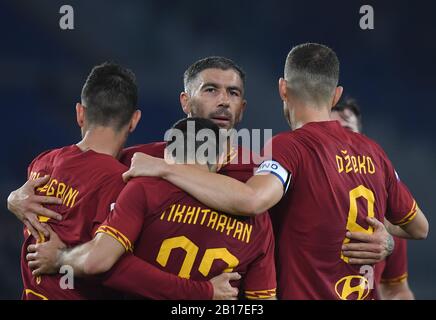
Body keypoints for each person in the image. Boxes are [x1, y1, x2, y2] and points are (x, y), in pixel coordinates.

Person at [123, 43, 429, 300]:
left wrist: (387, 242)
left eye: (232, 93)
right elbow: (103, 255)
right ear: (185, 101)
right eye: (211, 90)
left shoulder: (266, 165)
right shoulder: (135, 159)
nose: (223, 101)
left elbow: (255, 201)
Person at [14, 62, 236, 300]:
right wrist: (205, 291)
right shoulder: (121, 184)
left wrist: (12, 199)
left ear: (80, 113)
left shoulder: (40, 164)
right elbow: (119, 270)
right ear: (134, 121)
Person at [27, 117, 277, 300]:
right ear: (222, 159)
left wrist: (60, 258)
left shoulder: (143, 189)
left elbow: (100, 263)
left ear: (168, 154)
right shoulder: (258, 219)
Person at [332, 98, 415, 300]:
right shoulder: (288, 196)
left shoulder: (386, 214)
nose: (342, 143)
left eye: (348, 131)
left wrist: (390, 242)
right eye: (333, 133)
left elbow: (396, 289)